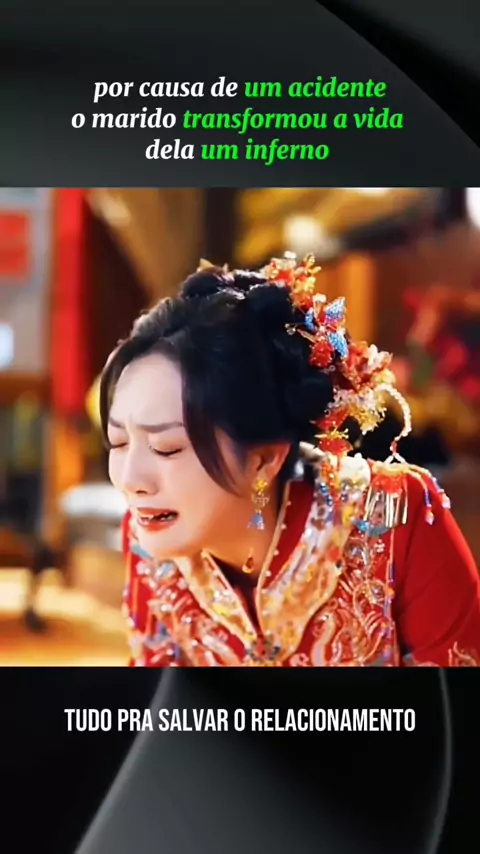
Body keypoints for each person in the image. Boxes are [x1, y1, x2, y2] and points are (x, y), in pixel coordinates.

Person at [100, 253, 480, 667]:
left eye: (166, 448)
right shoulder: (151, 534)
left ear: (264, 459)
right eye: (119, 443)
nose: (130, 479)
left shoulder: (394, 517)